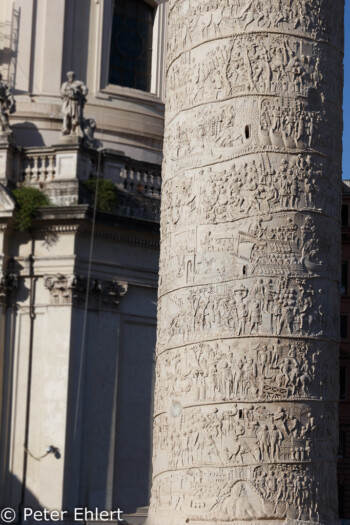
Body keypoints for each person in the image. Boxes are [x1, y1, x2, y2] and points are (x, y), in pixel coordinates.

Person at [61, 71, 88, 136]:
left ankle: (73, 130)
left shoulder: (79, 83)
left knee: (76, 118)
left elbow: (85, 89)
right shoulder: (65, 84)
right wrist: (69, 93)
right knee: (67, 114)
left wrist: (81, 95)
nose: (70, 77)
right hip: (68, 102)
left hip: (76, 102)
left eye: (72, 75)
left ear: (74, 76)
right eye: (69, 76)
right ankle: (66, 128)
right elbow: (62, 92)